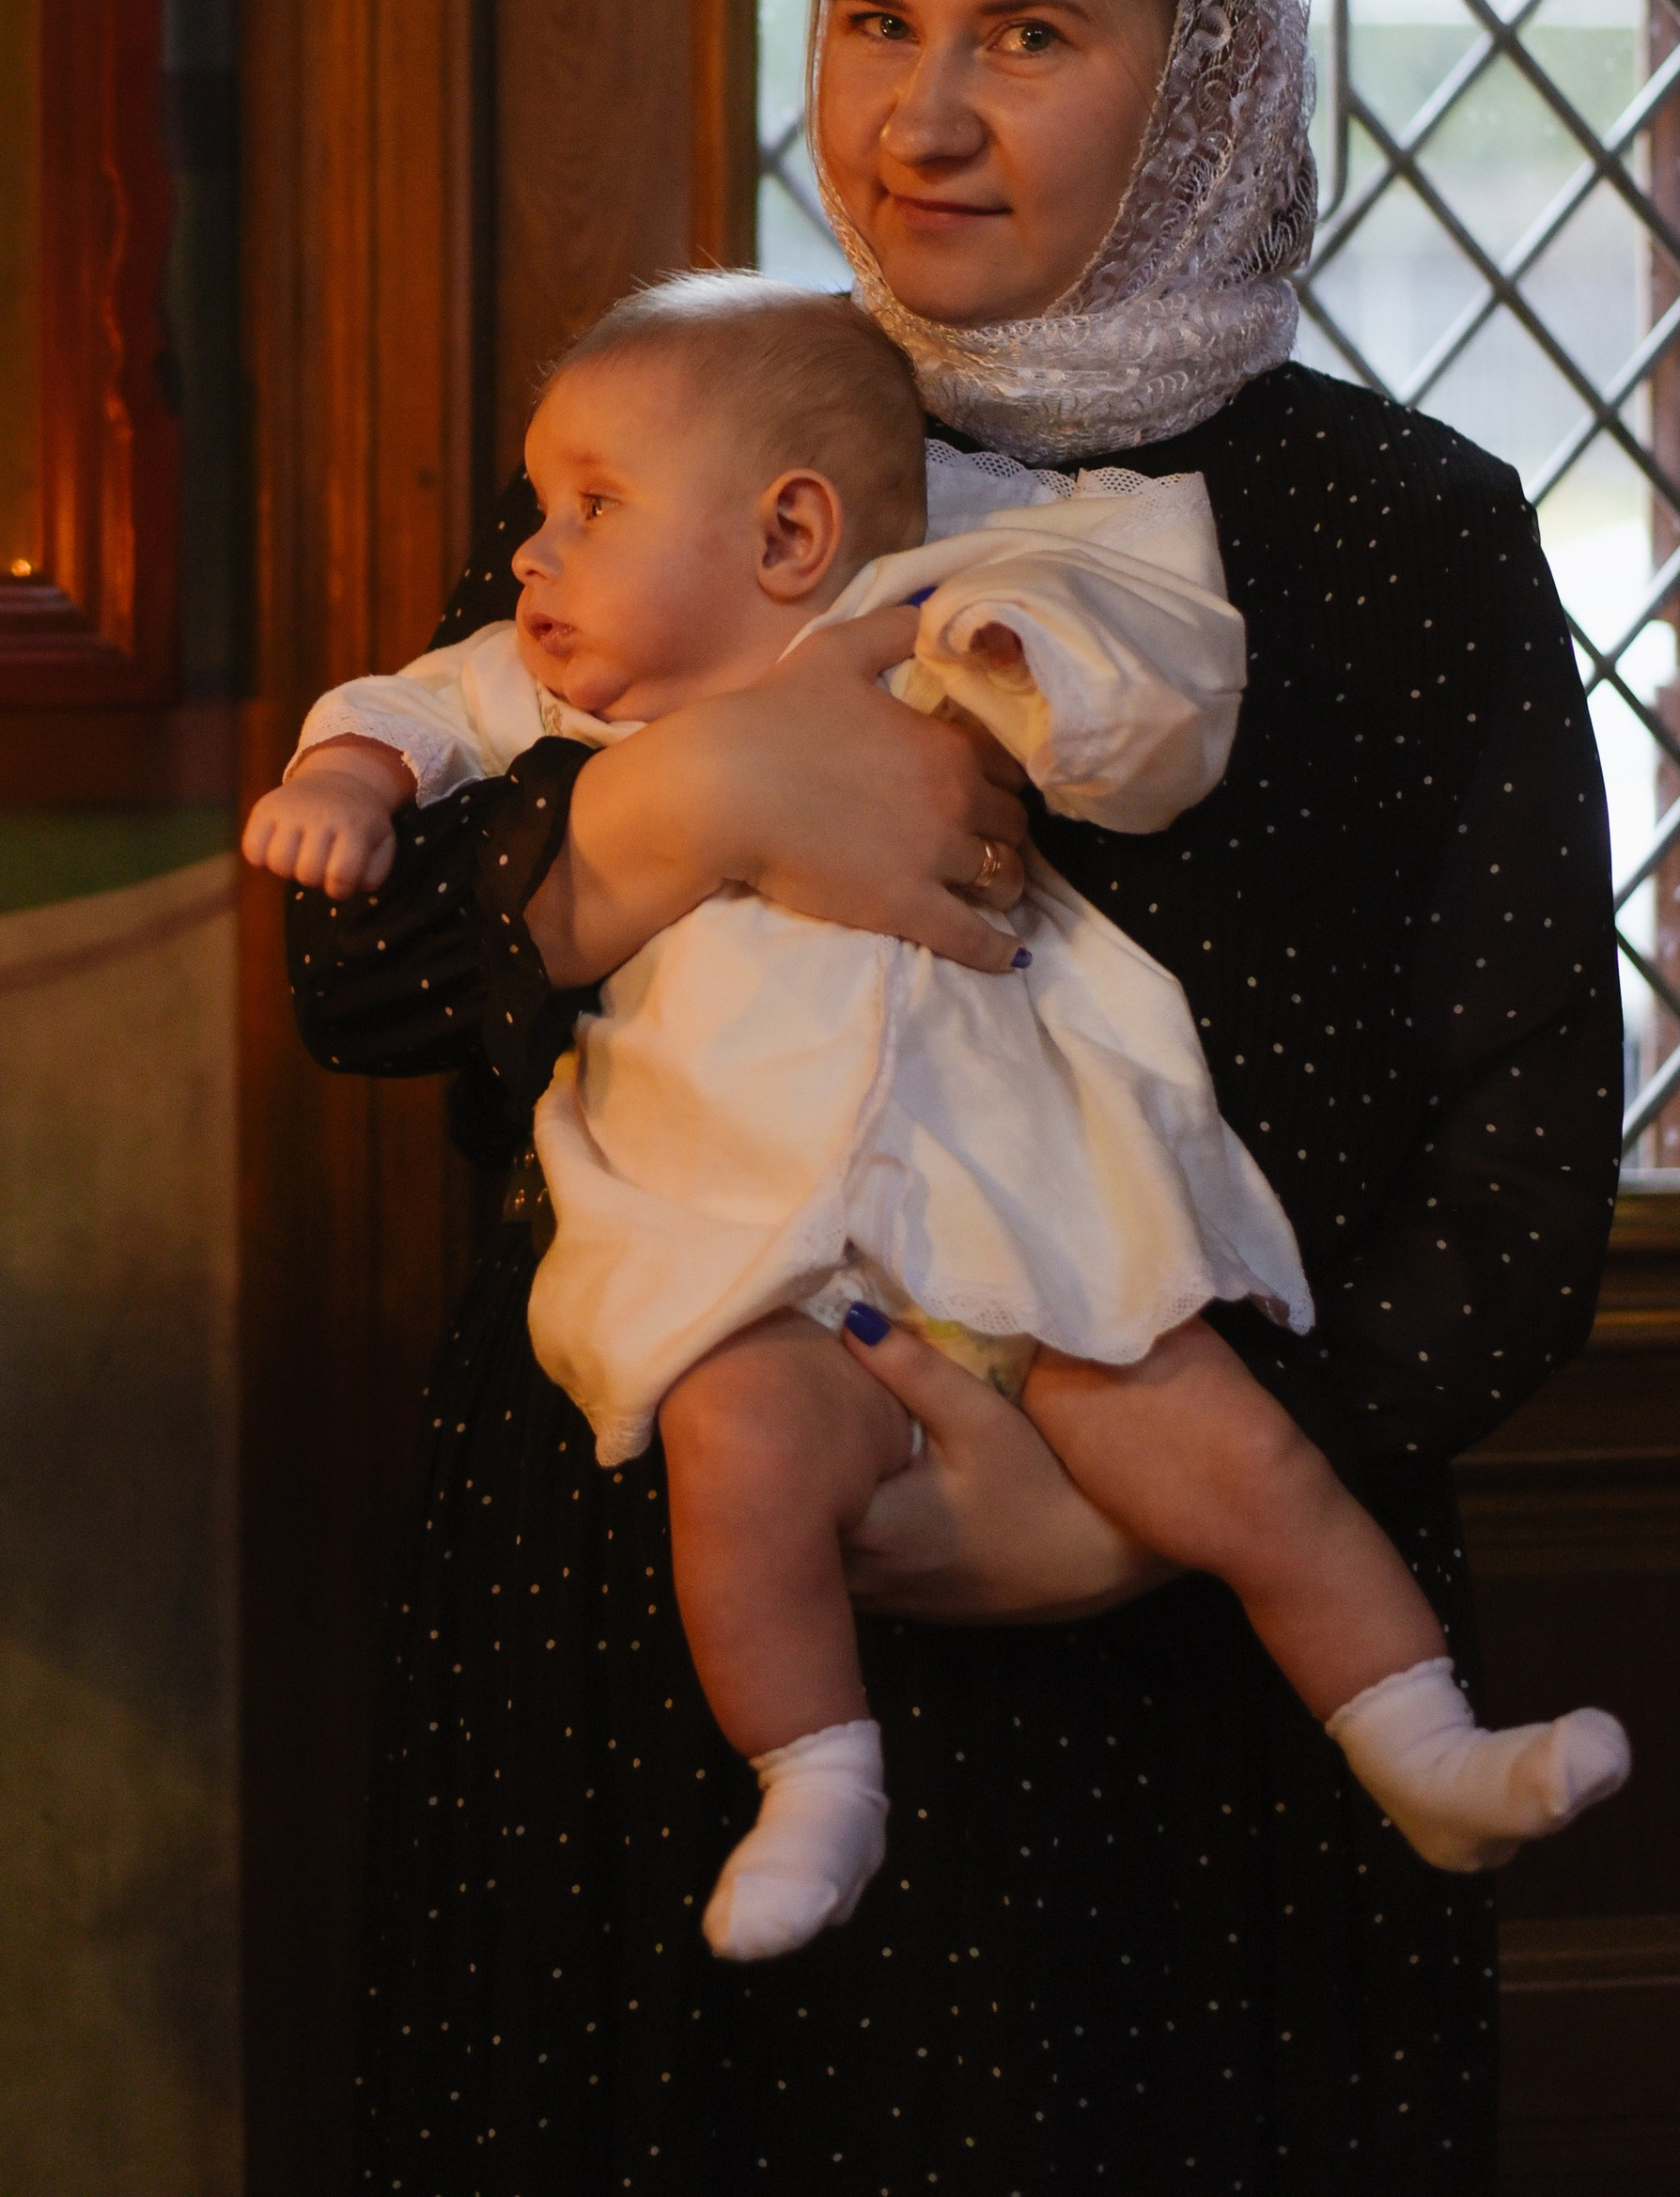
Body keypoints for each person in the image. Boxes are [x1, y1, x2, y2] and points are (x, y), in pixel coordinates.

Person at [288, 0, 1626, 2189]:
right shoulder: (707, 442)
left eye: (1028, 36)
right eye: (874, 21)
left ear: (1205, 70)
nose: (920, 119)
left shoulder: (1403, 539)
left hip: (1198, 1730)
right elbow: (360, 987)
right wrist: (683, 801)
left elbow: (1531, 1176)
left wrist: (1145, 1507)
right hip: (656, 1663)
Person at [260, 271, 1628, 1960]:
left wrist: (1012, 654)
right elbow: (390, 768)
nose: (538, 551)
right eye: (872, 19)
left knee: (1236, 1454)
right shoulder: (564, 657)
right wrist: (351, 776)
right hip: (750, 1254)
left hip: (1023, 1216)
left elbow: (1149, 717)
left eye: (1032, 32)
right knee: (739, 1448)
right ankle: (816, 1780)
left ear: (790, 532)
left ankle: (1417, 1740)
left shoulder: (963, 576)